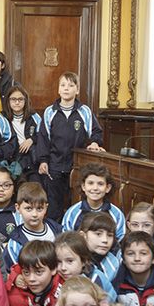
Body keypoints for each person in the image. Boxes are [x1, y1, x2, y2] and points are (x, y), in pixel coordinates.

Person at [36, 71, 104, 220]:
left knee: (75, 201)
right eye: (63, 85)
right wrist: (43, 160)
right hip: (54, 165)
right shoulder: (50, 112)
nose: (66, 88)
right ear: (59, 90)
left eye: (71, 85)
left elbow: (96, 132)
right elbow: (42, 138)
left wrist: (94, 142)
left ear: (77, 90)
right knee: (54, 204)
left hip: (77, 166)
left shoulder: (84, 111)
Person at [5, 182, 63, 269]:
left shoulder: (58, 232)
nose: (34, 214)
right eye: (28, 208)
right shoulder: (15, 243)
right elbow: (11, 271)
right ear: (18, 208)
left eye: (39, 208)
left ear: (46, 208)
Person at [62, 162, 126, 240]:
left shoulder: (117, 215)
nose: (95, 188)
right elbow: (66, 241)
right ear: (83, 186)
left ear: (108, 188)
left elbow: (119, 242)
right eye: (90, 183)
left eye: (100, 184)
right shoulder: (72, 213)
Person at [54, 231, 117, 302]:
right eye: (58, 262)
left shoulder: (94, 279)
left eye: (70, 261)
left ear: (84, 261)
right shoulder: (56, 278)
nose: (63, 268)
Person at [4, 86, 41, 182]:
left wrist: (32, 139)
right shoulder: (2, 118)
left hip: (31, 159)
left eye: (20, 99)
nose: (17, 102)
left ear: (26, 101)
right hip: (12, 159)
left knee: (35, 186)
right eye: (13, 99)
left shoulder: (34, 116)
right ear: (8, 101)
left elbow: (44, 135)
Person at [126, 202, 154, 273]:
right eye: (135, 224)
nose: (140, 229)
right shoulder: (123, 248)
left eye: (146, 225)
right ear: (129, 225)